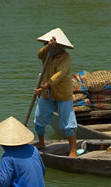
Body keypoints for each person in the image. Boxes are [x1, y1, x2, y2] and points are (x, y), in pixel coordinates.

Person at [32, 28, 78, 158]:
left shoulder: (65, 57)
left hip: (62, 92)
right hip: (47, 93)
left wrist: (44, 86)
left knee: (68, 124)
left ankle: (73, 150)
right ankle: (41, 142)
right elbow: (39, 55)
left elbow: (59, 75)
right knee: (39, 119)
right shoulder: (46, 54)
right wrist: (48, 48)